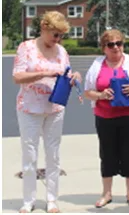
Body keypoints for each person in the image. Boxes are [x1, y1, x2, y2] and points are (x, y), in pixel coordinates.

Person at [13, 11, 82, 213]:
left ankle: (52, 199)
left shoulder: (61, 51)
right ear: (44, 28)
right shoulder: (26, 48)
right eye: (55, 34)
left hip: (55, 107)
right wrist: (43, 73)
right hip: (29, 107)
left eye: (61, 35)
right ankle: (28, 200)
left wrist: (74, 76)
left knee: (53, 154)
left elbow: (66, 73)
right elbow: (17, 77)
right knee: (30, 154)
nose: (58, 39)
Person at [84, 29, 129, 208]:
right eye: (110, 44)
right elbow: (87, 91)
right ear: (103, 48)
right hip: (105, 117)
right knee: (107, 154)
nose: (115, 48)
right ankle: (107, 193)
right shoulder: (97, 65)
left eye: (119, 43)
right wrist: (101, 95)